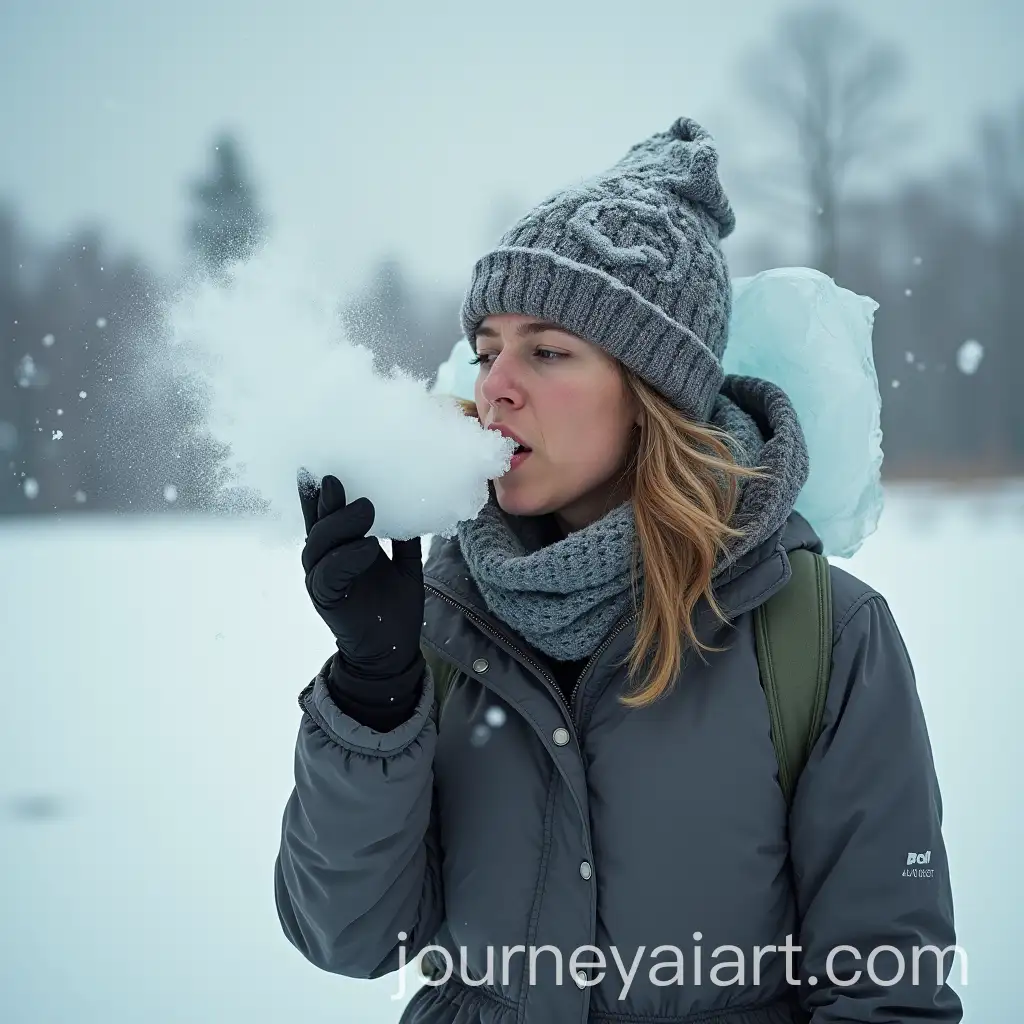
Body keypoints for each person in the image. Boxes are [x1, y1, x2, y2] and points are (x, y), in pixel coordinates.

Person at [274, 116, 963, 1023]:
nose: (495, 386)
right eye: (486, 351)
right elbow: (351, 938)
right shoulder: (436, 620)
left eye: (548, 350)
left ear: (654, 397)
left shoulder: (821, 635)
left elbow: (887, 995)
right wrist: (373, 693)